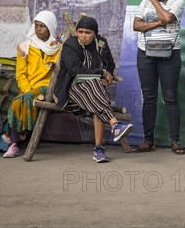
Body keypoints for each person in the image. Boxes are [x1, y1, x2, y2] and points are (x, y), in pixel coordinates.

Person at [53, 16, 133, 162]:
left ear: (95, 33)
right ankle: (109, 133)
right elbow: (77, 71)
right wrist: (101, 73)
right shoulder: (70, 45)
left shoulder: (101, 44)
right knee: (95, 89)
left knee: (95, 90)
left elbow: (110, 64)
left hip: (93, 95)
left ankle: (101, 146)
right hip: (71, 92)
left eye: (88, 32)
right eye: (80, 32)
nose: (83, 36)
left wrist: (107, 77)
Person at [132, 0, 185, 155]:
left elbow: (168, 18)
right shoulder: (143, 1)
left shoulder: (177, 0)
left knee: (170, 98)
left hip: (169, 55)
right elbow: (136, 26)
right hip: (145, 54)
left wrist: (155, 1)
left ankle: (175, 141)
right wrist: (157, 22)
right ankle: (148, 140)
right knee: (149, 98)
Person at [2, 10, 61, 158]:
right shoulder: (24, 47)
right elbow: (20, 75)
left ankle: (16, 137)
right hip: (30, 90)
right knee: (18, 102)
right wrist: (28, 90)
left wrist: (63, 40)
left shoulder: (58, 48)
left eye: (43, 26)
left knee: (26, 99)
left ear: (51, 28)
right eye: (37, 25)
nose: (38, 29)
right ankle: (14, 144)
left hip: (49, 89)